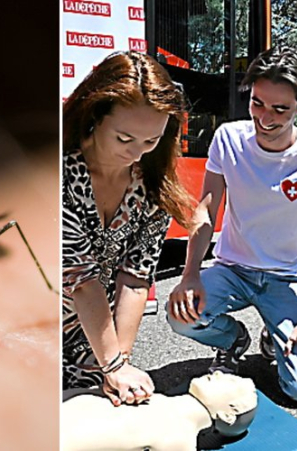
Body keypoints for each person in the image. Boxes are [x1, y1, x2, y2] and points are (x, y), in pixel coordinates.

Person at [167, 46, 297, 403]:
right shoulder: (228, 138)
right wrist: (190, 274)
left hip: (286, 277)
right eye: (258, 103)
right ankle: (232, 340)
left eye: (280, 109)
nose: (265, 118)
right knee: (181, 315)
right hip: (233, 269)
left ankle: (276, 333)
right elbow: (206, 211)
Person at [63, 51, 193, 406]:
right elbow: (82, 281)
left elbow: (136, 277)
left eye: (151, 142)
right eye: (125, 138)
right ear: (94, 115)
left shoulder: (152, 188)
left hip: (90, 333)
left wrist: (120, 363)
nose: (138, 153)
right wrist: (114, 364)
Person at [63, 371, 257, 451]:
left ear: (227, 416)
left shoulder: (180, 437)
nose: (218, 373)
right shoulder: (156, 398)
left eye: (231, 382)